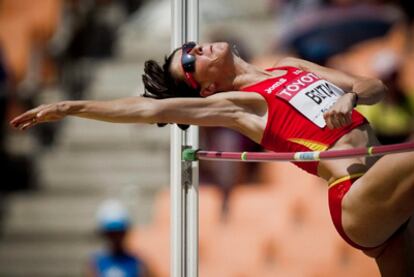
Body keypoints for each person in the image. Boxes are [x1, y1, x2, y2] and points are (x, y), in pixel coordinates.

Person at [9, 41, 414, 276]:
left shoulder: (292, 67)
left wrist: (352, 95)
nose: (195, 49)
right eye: (190, 61)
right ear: (205, 88)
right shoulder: (241, 105)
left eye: (190, 47)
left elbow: (372, 84)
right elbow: (150, 110)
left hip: (388, 202)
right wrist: (68, 106)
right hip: (357, 195)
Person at [86, 199, 149, 277]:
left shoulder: (138, 263)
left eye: (119, 232)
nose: (116, 237)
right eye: (111, 233)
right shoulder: (95, 263)